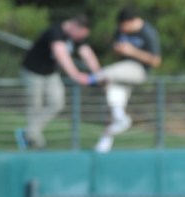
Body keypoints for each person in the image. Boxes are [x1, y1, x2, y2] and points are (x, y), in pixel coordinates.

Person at [16, 15, 101, 150]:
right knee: (35, 107)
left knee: (57, 103)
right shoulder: (55, 32)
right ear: (74, 26)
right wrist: (76, 75)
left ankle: (28, 132)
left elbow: (87, 54)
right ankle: (35, 140)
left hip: (51, 73)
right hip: (34, 72)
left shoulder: (76, 38)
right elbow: (61, 55)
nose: (80, 39)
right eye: (80, 35)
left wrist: (99, 74)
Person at [93, 8, 161, 153]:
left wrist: (132, 52)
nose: (122, 28)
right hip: (122, 71)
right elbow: (116, 49)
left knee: (106, 74)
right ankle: (106, 141)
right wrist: (118, 50)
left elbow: (155, 61)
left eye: (124, 25)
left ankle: (121, 118)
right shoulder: (120, 31)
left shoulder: (148, 32)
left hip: (138, 71)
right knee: (113, 104)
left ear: (132, 22)